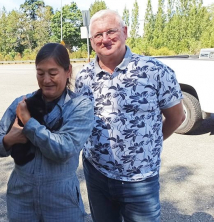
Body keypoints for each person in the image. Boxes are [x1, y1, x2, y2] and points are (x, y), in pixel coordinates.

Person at [75, 9, 185, 222]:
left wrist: (149, 144)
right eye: (98, 35)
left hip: (140, 180)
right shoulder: (84, 77)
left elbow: (176, 117)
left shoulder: (155, 71)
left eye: (111, 31)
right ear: (91, 40)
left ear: (125, 32)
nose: (105, 39)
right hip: (97, 174)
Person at [0, 43, 94, 222]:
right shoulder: (21, 102)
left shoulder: (80, 106)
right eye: (40, 73)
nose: (46, 80)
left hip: (62, 200)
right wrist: (9, 139)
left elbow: (63, 150)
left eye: (53, 73)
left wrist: (28, 123)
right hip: (21, 198)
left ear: (68, 71)